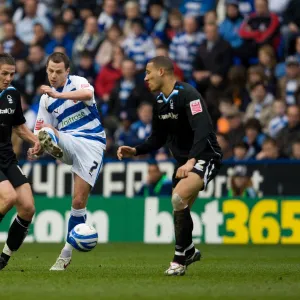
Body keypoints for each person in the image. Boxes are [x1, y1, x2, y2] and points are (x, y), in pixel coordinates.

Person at [117, 56, 222, 276]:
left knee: (177, 197)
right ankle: (189, 250)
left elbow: (203, 129)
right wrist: (136, 150)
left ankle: (178, 260)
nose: (145, 78)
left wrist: (192, 160)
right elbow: (157, 138)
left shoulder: (189, 95)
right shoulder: (159, 103)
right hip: (185, 162)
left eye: (148, 72)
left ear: (162, 72)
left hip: (205, 156)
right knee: (180, 205)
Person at [28, 52, 106, 271]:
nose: (53, 75)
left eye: (58, 71)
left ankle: (65, 254)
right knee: (45, 131)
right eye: (50, 71)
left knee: (79, 202)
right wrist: (37, 147)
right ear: (46, 70)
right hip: (68, 141)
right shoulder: (45, 100)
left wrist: (58, 95)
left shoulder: (78, 82)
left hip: (92, 144)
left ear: (67, 71)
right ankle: (51, 147)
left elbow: (89, 93)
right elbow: (38, 131)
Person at [0, 53, 41, 270]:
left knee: (27, 207)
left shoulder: (12, 95)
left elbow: (19, 127)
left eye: (12, 74)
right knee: (8, 197)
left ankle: (4, 258)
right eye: (4, 74)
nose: (8, 78)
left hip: (7, 157)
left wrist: (36, 141)